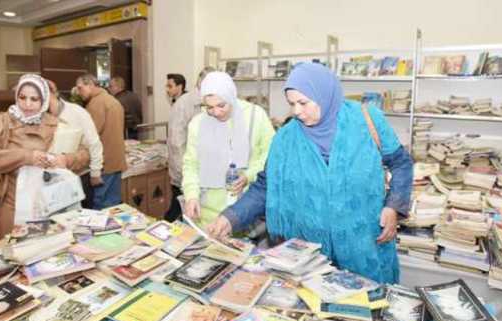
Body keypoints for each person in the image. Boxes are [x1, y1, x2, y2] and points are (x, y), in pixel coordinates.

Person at [206, 62, 413, 284]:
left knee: (367, 308)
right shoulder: (285, 139)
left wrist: (393, 207)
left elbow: (401, 163)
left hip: (366, 245)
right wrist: (231, 217)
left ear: (323, 94)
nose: (296, 111)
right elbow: (266, 187)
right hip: (310, 257)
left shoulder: (367, 120)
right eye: (292, 104)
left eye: (303, 103)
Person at [0, 74, 89, 238]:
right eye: (22, 97)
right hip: (13, 204)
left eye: (34, 99)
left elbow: (84, 155)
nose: (27, 104)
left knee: (46, 253)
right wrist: (26, 157)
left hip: (53, 203)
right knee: (15, 252)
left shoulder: (56, 123)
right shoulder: (3, 122)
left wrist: (66, 159)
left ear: (44, 101)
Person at [182, 71, 275, 227]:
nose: (216, 112)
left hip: (245, 212)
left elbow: (271, 156)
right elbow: (191, 164)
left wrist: (248, 175)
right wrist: (191, 196)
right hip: (206, 214)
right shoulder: (198, 123)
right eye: (209, 107)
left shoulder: (255, 116)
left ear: (232, 96)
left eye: (221, 105)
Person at [164, 67, 214, 222]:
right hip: (185, 171)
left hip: (202, 171)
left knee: (192, 212)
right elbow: (176, 143)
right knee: (179, 209)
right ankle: (163, 232)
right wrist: (185, 174)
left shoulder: (209, 101)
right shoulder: (184, 104)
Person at [46, 79, 103, 207]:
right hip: (50, 180)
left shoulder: (77, 112)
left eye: (45, 95)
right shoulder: (38, 116)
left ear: (55, 93)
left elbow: (94, 143)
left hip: (78, 176)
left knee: (83, 217)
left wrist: (95, 173)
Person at [75, 74, 127, 210]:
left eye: (80, 88)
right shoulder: (112, 100)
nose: (79, 93)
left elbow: (89, 138)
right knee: (113, 204)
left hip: (104, 162)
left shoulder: (95, 104)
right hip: (116, 160)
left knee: (100, 204)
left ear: (91, 85)